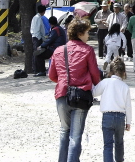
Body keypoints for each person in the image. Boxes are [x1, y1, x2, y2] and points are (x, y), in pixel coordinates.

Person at [49, 17, 101, 162]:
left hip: (61, 95)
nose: (88, 35)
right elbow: (95, 74)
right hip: (80, 96)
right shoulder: (88, 50)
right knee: (76, 136)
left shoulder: (59, 50)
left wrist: (62, 82)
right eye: (87, 32)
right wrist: (95, 84)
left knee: (64, 131)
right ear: (79, 33)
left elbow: (52, 75)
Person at [92, 57, 132, 162]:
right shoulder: (125, 86)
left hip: (107, 116)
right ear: (124, 72)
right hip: (120, 117)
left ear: (110, 72)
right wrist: (128, 122)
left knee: (108, 144)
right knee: (119, 143)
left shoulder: (106, 82)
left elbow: (94, 92)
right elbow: (128, 106)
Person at [31, 5, 47, 75]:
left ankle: (37, 69)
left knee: (37, 53)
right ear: (44, 11)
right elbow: (37, 30)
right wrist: (40, 38)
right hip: (37, 38)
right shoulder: (38, 18)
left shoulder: (36, 17)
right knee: (38, 53)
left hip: (36, 37)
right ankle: (37, 69)